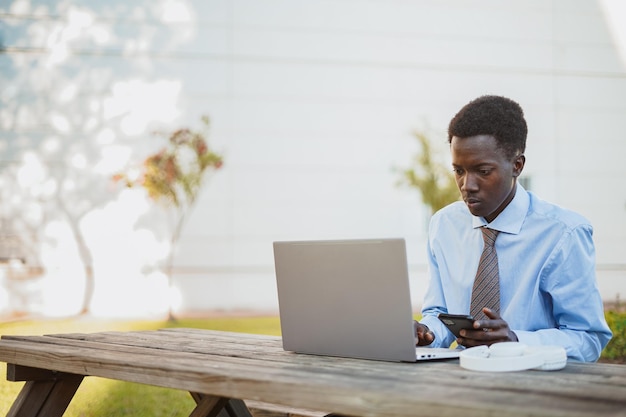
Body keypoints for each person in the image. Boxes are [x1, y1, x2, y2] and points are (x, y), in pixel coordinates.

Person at [414, 95, 612, 362]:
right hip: (460, 379)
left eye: (482, 171)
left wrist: (515, 340)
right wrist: (426, 332)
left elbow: (588, 339)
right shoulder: (443, 225)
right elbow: (440, 313)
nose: (466, 185)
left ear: (517, 166)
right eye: (458, 170)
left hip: (534, 387)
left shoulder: (564, 233)